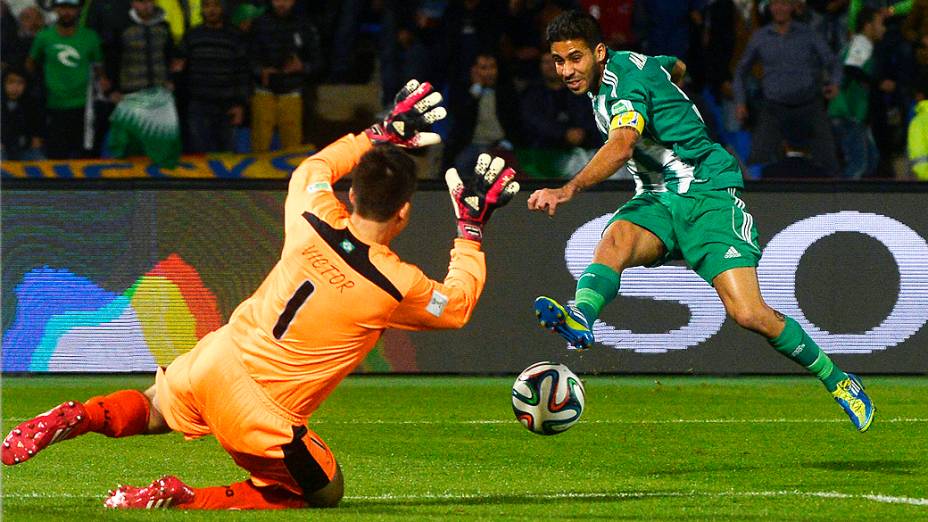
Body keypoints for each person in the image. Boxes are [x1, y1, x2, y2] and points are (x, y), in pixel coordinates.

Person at [1, 80, 520, 510]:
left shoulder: (312, 215)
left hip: (218, 356)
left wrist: (378, 133)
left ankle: (80, 415)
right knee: (322, 492)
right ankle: (184, 498)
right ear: (404, 212)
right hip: (264, 416)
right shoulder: (394, 285)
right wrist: (470, 227)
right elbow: (456, 307)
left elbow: (316, 169)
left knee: (152, 406)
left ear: (353, 195)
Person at [526, 10, 875, 432]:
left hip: (707, 194)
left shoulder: (623, 86)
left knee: (749, 314)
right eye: (559, 61)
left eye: (575, 58)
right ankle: (581, 315)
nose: (566, 70)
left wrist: (566, 191)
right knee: (616, 237)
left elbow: (621, 146)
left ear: (599, 53)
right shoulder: (631, 66)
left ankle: (839, 381)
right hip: (657, 197)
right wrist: (671, 80)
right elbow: (673, 64)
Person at [734, 0, 841, 173]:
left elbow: (833, 62)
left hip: (809, 105)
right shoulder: (760, 37)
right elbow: (740, 72)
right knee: (757, 160)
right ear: (769, 8)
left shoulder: (808, 34)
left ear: (792, 7)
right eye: (775, 4)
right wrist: (740, 102)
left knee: (829, 161)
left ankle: (837, 198)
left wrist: (835, 83)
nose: (779, 8)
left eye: (784, 4)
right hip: (774, 107)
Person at [26, 0, 106, 159]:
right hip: (53, 107)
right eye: (62, 7)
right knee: (56, 158)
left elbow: (99, 69)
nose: (66, 12)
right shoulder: (44, 37)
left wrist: (102, 82)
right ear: (55, 9)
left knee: (86, 157)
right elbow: (30, 64)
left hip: (84, 108)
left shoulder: (91, 37)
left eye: (71, 8)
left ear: (78, 10)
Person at [248, 0, 323, 152]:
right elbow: (247, 57)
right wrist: (260, 70)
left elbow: (318, 61)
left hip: (292, 92)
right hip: (263, 91)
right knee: (259, 147)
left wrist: (302, 67)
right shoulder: (259, 25)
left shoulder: (304, 26)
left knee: (293, 149)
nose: (281, 4)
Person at [828, 7, 894, 179]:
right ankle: (842, 202)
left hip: (855, 115)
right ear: (867, 25)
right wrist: (879, 83)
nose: (883, 28)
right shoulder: (861, 42)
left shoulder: (860, 44)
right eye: (880, 23)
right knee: (858, 165)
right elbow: (851, 68)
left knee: (871, 161)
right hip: (847, 113)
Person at [176, 0, 250, 153]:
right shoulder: (192, 35)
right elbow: (179, 68)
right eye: (207, 6)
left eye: (216, 5)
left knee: (227, 158)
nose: (212, 10)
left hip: (227, 107)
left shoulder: (234, 36)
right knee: (199, 156)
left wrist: (240, 105)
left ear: (222, 8)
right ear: (202, 9)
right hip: (198, 106)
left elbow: (242, 72)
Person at [1, 66, 45, 160]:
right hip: (3, 149)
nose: (15, 87)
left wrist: (35, 139)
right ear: (3, 83)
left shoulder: (32, 104)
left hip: (25, 149)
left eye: (20, 83)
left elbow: (36, 136)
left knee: (41, 162)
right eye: (11, 82)